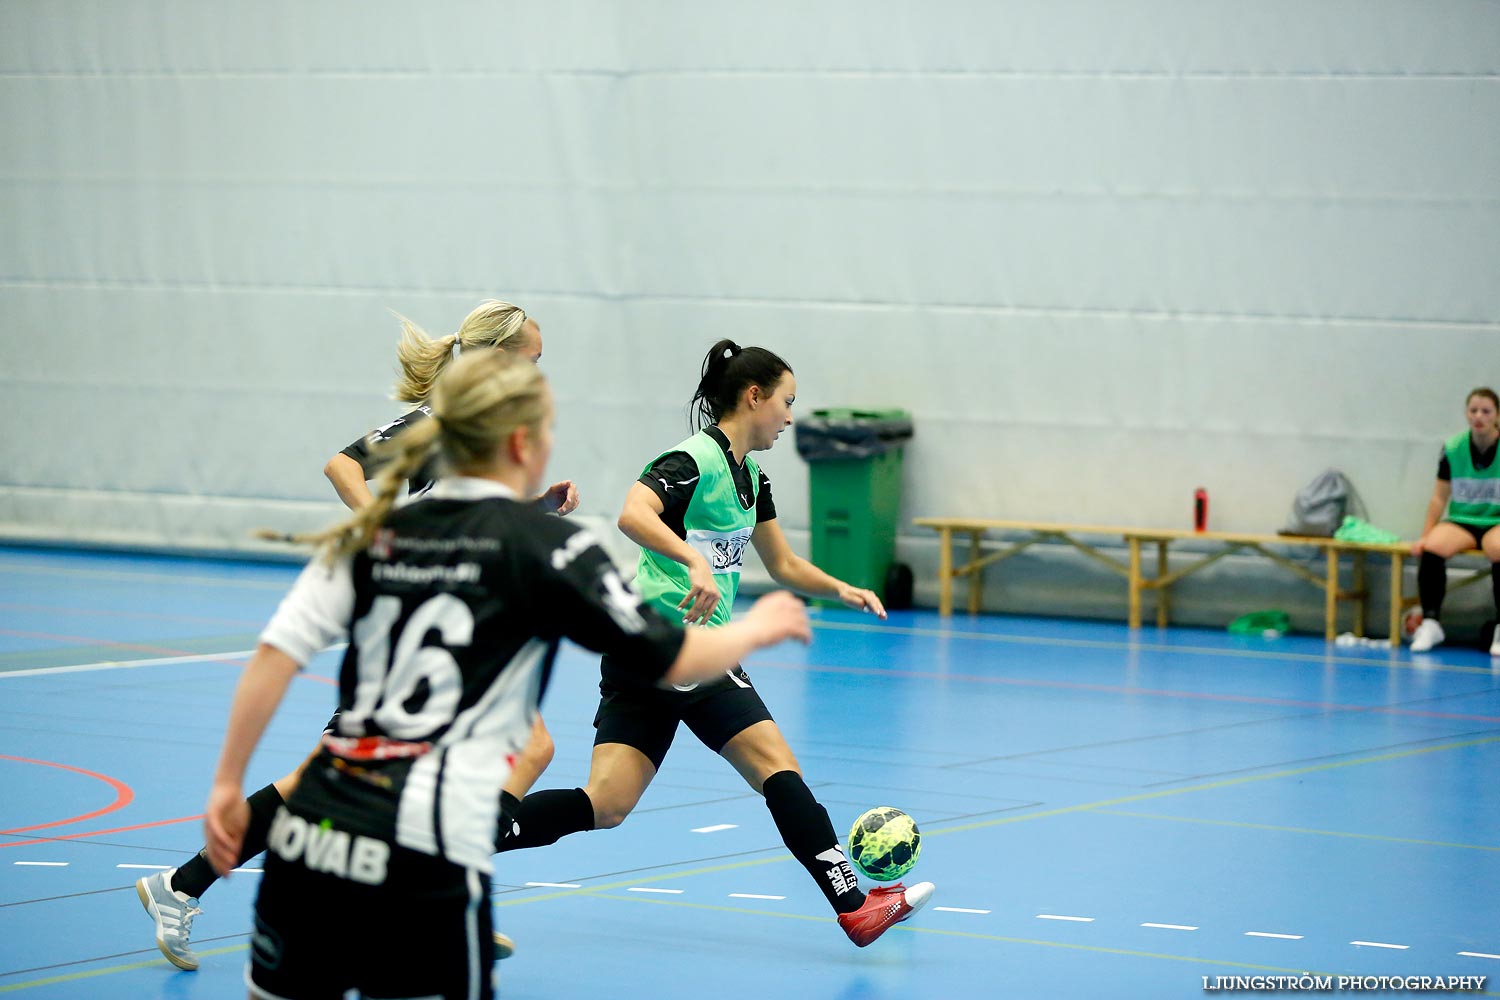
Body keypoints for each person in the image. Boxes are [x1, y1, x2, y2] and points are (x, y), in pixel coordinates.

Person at [201, 350, 812, 1000]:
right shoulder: (550, 547)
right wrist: (760, 625)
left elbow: (275, 657)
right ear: (521, 443)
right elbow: (675, 659)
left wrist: (227, 785)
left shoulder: (378, 533)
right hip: (422, 846)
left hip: (312, 838)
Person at [136, 301, 572, 969]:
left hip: (453, 634)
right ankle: (184, 886)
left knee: (523, 748)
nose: (540, 374)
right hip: (406, 632)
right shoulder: (436, 424)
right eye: (533, 360)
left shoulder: (489, 434)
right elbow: (342, 466)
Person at [496, 339, 934, 948]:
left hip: (641, 653)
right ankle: (855, 904)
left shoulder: (751, 478)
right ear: (753, 396)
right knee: (775, 764)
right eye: (786, 402)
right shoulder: (691, 459)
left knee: (605, 804)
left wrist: (842, 588)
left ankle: (450, 844)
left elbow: (780, 564)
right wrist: (691, 562)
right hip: (677, 644)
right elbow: (633, 514)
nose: (789, 417)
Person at [1408, 387, 1500, 654]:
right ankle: (1431, 622)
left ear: (1496, 415)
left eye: (1486, 411)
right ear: (1466, 414)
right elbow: (1439, 498)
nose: (1479, 416)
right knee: (1433, 546)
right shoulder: (1453, 448)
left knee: (1497, 549)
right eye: (1473, 411)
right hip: (1464, 519)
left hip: (1495, 520)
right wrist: (1425, 535)